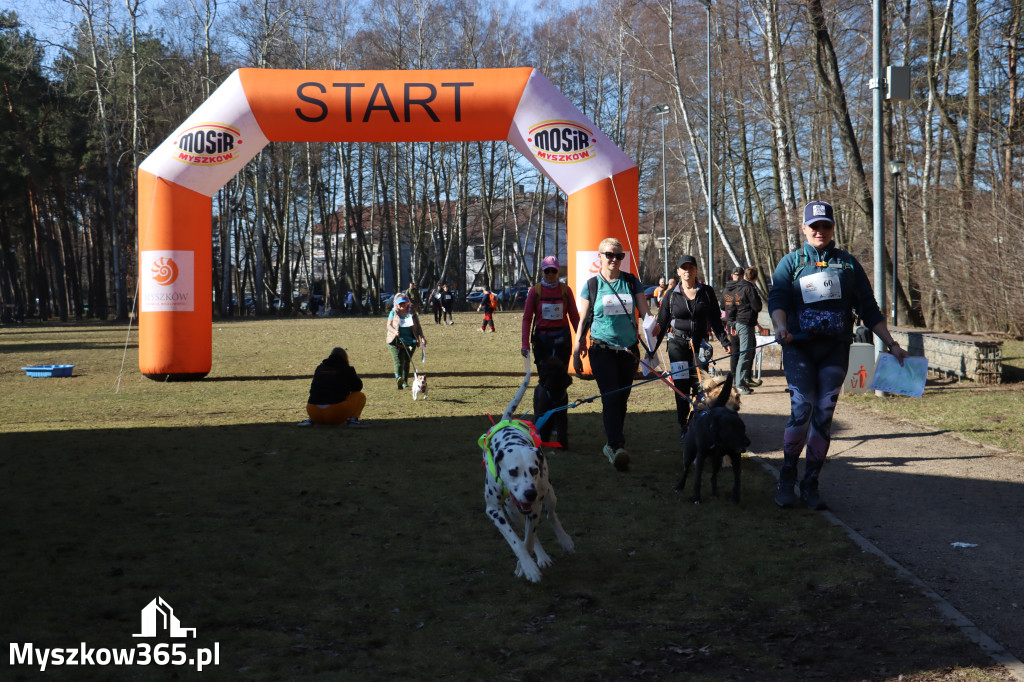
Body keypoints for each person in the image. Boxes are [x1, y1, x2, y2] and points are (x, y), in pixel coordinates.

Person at [769, 200, 910, 511]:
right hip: (799, 348)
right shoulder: (791, 263)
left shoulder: (847, 264)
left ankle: (811, 485)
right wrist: (781, 326)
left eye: (826, 226)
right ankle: (787, 476)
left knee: (823, 415)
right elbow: (777, 298)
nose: (820, 231)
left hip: (835, 349)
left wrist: (891, 343)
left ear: (833, 229)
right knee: (802, 408)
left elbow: (869, 308)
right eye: (814, 226)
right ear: (804, 229)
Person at [571, 238, 655, 472]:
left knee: (623, 399)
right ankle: (615, 446)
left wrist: (655, 328)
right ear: (600, 256)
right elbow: (584, 320)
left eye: (619, 256)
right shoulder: (591, 285)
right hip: (602, 349)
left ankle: (615, 440)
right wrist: (577, 352)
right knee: (610, 397)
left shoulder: (631, 282)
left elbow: (646, 314)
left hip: (628, 350)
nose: (614, 259)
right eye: (609, 254)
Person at [650, 255, 732, 443]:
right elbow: (662, 323)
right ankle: (684, 426)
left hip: (700, 346)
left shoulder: (707, 292)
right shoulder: (671, 294)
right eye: (683, 268)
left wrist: (725, 341)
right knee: (681, 387)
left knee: (701, 386)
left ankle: (698, 422)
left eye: (691, 267)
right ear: (678, 272)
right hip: (677, 345)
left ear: (696, 270)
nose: (687, 271)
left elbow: (715, 320)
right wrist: (653, 350)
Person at [521, 256, 580, 372]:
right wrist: (525, 344)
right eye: (547, 271)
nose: (550, 274)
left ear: (558, 272)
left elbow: (575, 318)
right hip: (542, 340)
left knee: (561, 377)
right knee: (544, 378)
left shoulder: (566, 291)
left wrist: (581, 344)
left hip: (563, 340)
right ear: (542, 271)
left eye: (554, 271)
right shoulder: (535, 291)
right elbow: (527, 319)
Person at [299, 347, 367, 427]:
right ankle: (353, 421)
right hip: (335, 413)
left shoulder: (319, 368)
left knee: (319, 393)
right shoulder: (347, 369)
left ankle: (310, 420)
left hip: (313, 412)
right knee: (360, 396)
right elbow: (357, 387)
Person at [723, 265, 763, 394]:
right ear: (756, 278)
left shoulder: (738, 287)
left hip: (738, 322)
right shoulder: (749, 288)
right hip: (745, 323)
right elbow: (757, 307)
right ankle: (739, 384)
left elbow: (732, 306)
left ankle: (744, 380)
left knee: (747, 353)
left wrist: (732, 323)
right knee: (745, 354)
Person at [385, 293, 427, 390]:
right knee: (399, 361)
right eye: (400, 303)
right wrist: (394, 331)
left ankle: (405, 381)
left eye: (404, 303)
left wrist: (422, 337)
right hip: (395, 341)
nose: (402, 305)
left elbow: (418, 326)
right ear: (396, 303)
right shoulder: (393, 313)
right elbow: (388, 325)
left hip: (410, 341)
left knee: (407, 361)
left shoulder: (412, 313)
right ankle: (398, 379)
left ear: (408, 303)